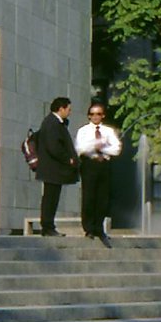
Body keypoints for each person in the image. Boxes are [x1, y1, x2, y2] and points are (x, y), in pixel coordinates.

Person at [73, 99, 123, 244]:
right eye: (93, 114)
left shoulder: (108, 131)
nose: (95, 117)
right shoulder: (83, 131)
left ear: (103, 116)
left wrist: (102, 148)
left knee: (102, 197)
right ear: (89, 116)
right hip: (89, 164)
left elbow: (116, 149)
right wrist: (96, 145)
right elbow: (80, 149)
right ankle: (88, 228)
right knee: (89, 196)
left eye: (99, 114)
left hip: (104, 164)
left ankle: (99, 227)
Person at [30, 97, 79, 237]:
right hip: (52, 169)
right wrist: (67, 159)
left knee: (51, 198)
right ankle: (47, 227)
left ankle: (49, 226)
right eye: (68, 109)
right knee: (50, 199)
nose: (70, 112)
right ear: (61, 109)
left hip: (53, 169)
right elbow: (54, 146)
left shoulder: (54, 122)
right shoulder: (52, 123)